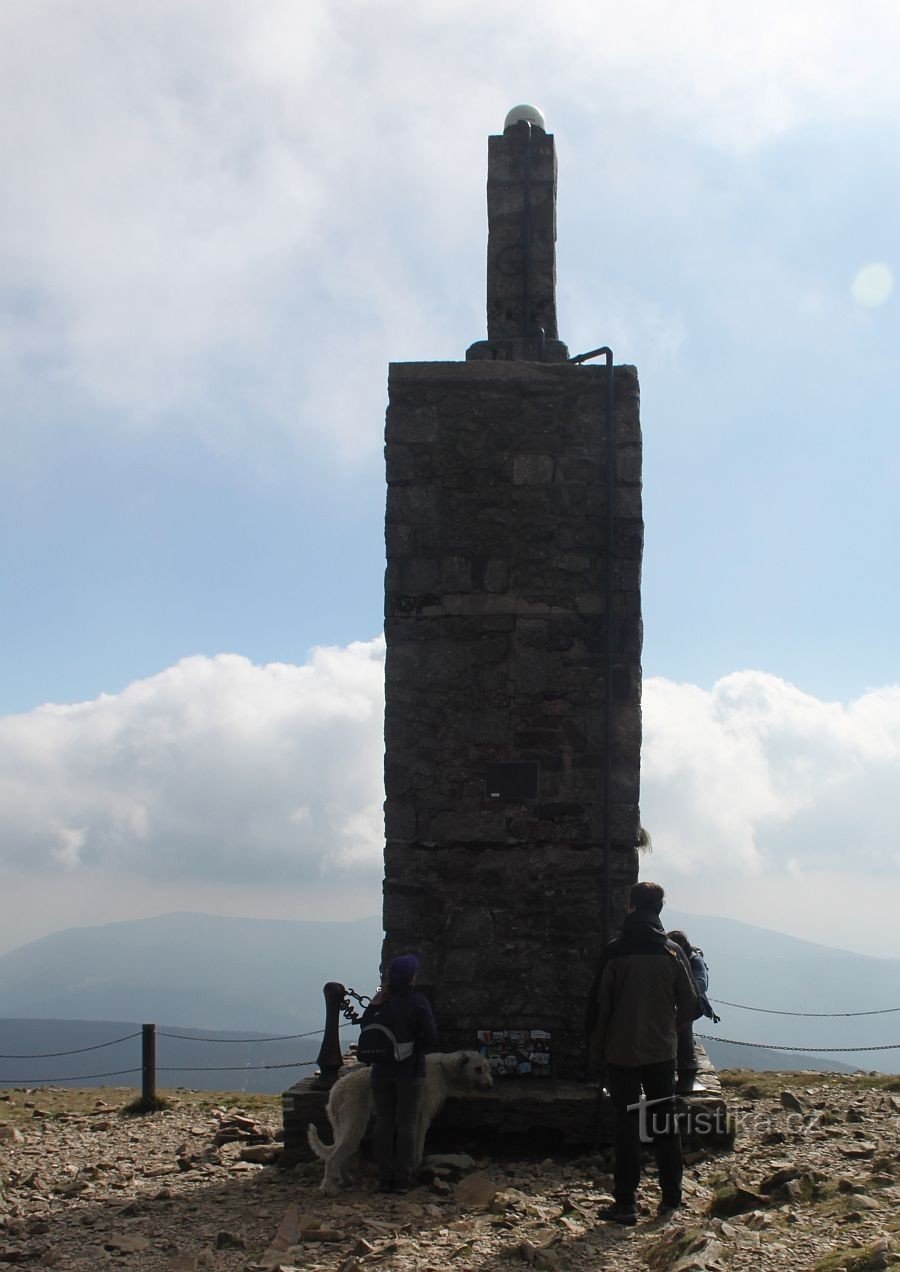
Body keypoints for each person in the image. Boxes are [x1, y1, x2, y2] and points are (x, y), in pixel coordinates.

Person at [587, 881, 698, 1225]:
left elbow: (599, 1008)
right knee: (664, 1122)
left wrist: (597, 1049)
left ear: (632, 907)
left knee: (627, 1124)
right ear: (659, 910)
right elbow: (691, 1004)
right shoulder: (672, 952)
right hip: (662, 1052)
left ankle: (626, 1204)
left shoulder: (615, 952)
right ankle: (671, 1199)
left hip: (621, 1053)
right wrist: (670, 1030)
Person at [358, 953, 437, 1193]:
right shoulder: (418, 1002)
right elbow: (431, 1038)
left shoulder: (381, 1001)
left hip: (380, 1070)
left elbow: (365, 1027)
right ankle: (403, 1179)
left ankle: (384, 1177)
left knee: (383, 1121)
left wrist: (375, 1003)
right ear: (412, 977)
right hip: (410, 1071)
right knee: (407, 1124)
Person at [667, 929, 719, 1093]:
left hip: (692, 1003)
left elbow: (700, 983)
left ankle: (685, 1064)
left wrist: (679, 989)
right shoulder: (678, 957)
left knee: (682, 1025)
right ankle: (684, 1064)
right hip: (680, 1000)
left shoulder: (694, 961)